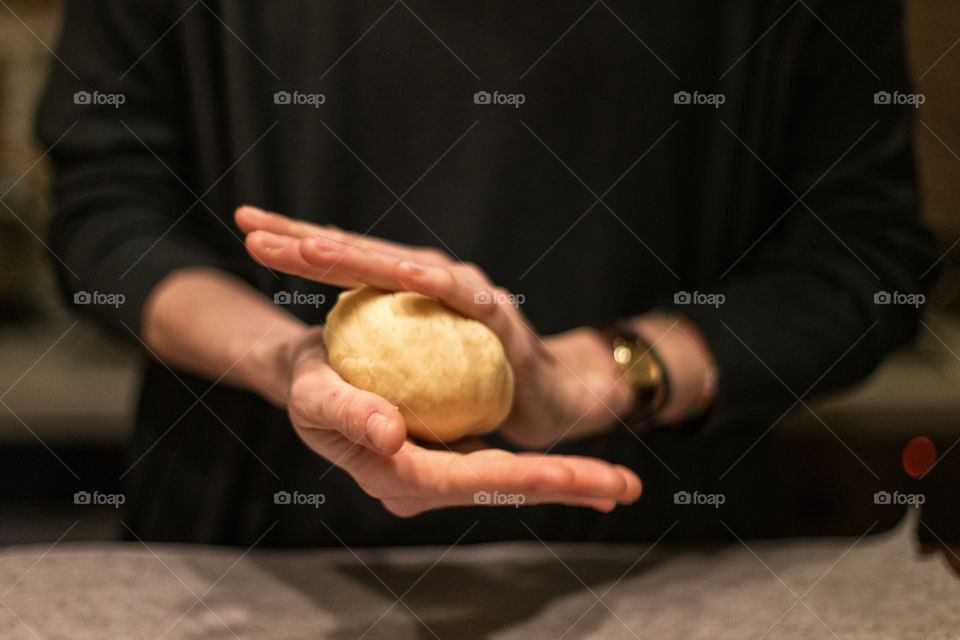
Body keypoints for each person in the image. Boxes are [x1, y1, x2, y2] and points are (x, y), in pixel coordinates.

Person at [37, 1, 934, 546]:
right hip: (241, 557)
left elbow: (864, 247)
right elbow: (104, 209)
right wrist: (288, 359)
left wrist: (607, 370)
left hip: (653, 560)